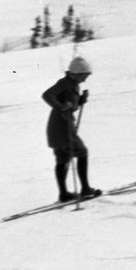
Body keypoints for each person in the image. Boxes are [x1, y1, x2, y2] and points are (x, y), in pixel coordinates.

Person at [42, 57, 101, 202]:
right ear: (76, 73)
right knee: (82, 152)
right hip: (63, 127)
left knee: (63, 158)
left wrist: (80, 100)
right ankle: (85, 189)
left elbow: (70, 104)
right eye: (84, 76)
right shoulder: (64, 83)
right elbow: (47, 95)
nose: (85, 79)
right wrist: (60, 106)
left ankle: (63, 194)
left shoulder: (72, 84)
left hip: (58, 126)